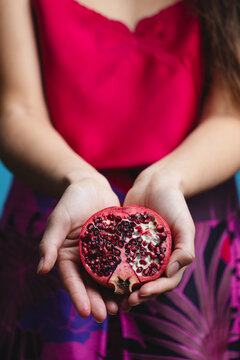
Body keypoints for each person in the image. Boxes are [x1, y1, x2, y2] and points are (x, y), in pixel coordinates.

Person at [0, 0, 239, 358]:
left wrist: (169, 179)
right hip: (59, 209)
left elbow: (231, 115)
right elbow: (16, 110)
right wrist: (79, 178)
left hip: (190, 212)